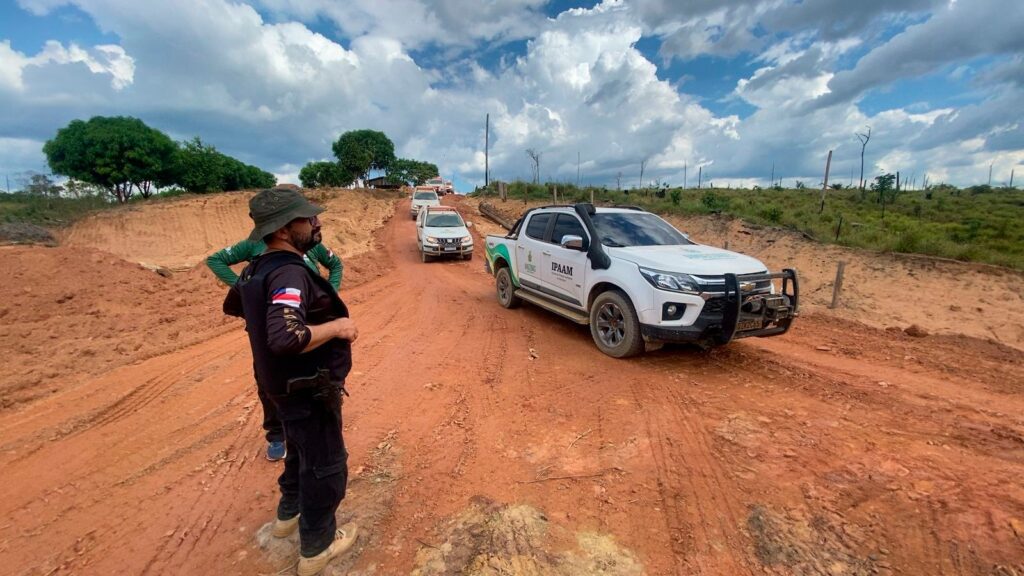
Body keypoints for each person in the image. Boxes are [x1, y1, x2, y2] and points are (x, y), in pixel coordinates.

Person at [225, 187, 359, 574]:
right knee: (326, 464)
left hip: (277, 386)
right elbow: (285, 336)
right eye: (308, 218)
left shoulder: (256, 268)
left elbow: (238, 306)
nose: (317, 222)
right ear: (285, 229)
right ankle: (316, 548)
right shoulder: (288, 271)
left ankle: (287, 517)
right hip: (307, 387)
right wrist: (337, 327)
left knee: (299, 452)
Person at [208, 234, 343, 461]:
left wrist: (331, 291)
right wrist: (247, 289)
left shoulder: (310, 245)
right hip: (266, 328)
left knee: (318, 375)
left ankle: (318, 426)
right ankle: (276, 435)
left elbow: (336, 264)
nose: (314, 223)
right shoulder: (253, 245)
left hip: (310, 325)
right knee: (268, 379)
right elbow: (215, 260)